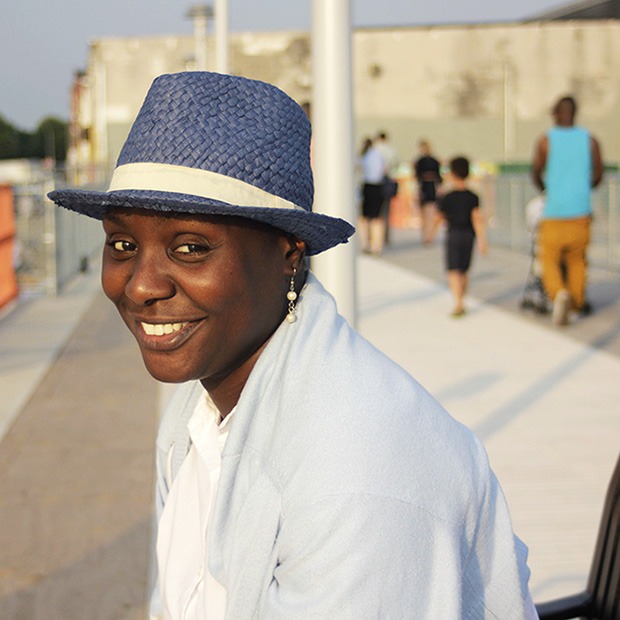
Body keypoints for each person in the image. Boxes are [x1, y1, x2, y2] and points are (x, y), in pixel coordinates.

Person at [49, 72, 536, 619]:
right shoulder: (197, 413)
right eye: (122, 244)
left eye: (189, 247)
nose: (141, 284)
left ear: (289, 252)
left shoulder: (352, 471)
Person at [532, 95, 604, 326]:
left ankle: (558, 293)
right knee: (577, 261)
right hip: (581, 212)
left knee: (549, 258)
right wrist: (582, 190)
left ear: (556, 114)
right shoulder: (590, 140)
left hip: (555, 211)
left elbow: (535, 171)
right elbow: (598, 174)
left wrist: (548, 189)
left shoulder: (546, 140)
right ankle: (575, 304)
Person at [432, 156, 488, 317]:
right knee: (464, 269)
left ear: (453, 173)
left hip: (453, 234)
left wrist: (431, 234)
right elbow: (477, 219)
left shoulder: (447, 196)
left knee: (453, 269)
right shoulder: (473, 196)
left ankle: (458, 302)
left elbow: (438, 217)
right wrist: (482, 241)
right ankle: (462, 299)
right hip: (468, 235)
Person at [358, 135, 386, 255]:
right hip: (378, 187)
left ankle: (365, 243)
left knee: (364, 218)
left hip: (367, 186)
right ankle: (377, 245)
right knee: (377, 218)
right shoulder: (378, 155)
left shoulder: (364, 156)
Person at [413, 139, 442, 245]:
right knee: (424, 213)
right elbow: (417, 177)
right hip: (423, 187)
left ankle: (430, 235)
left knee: (431, 212)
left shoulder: (434, 161)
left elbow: (438, 176)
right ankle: (425, 235)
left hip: (431, 186)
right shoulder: (419, 161)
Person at [374, 130, 398, 245]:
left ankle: (375, 236)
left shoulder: (375, 150)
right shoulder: (391, 150)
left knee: (376, 212)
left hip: (376, 182)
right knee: (387, 210)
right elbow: (396, 164)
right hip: (389, 180)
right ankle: (386, 236)